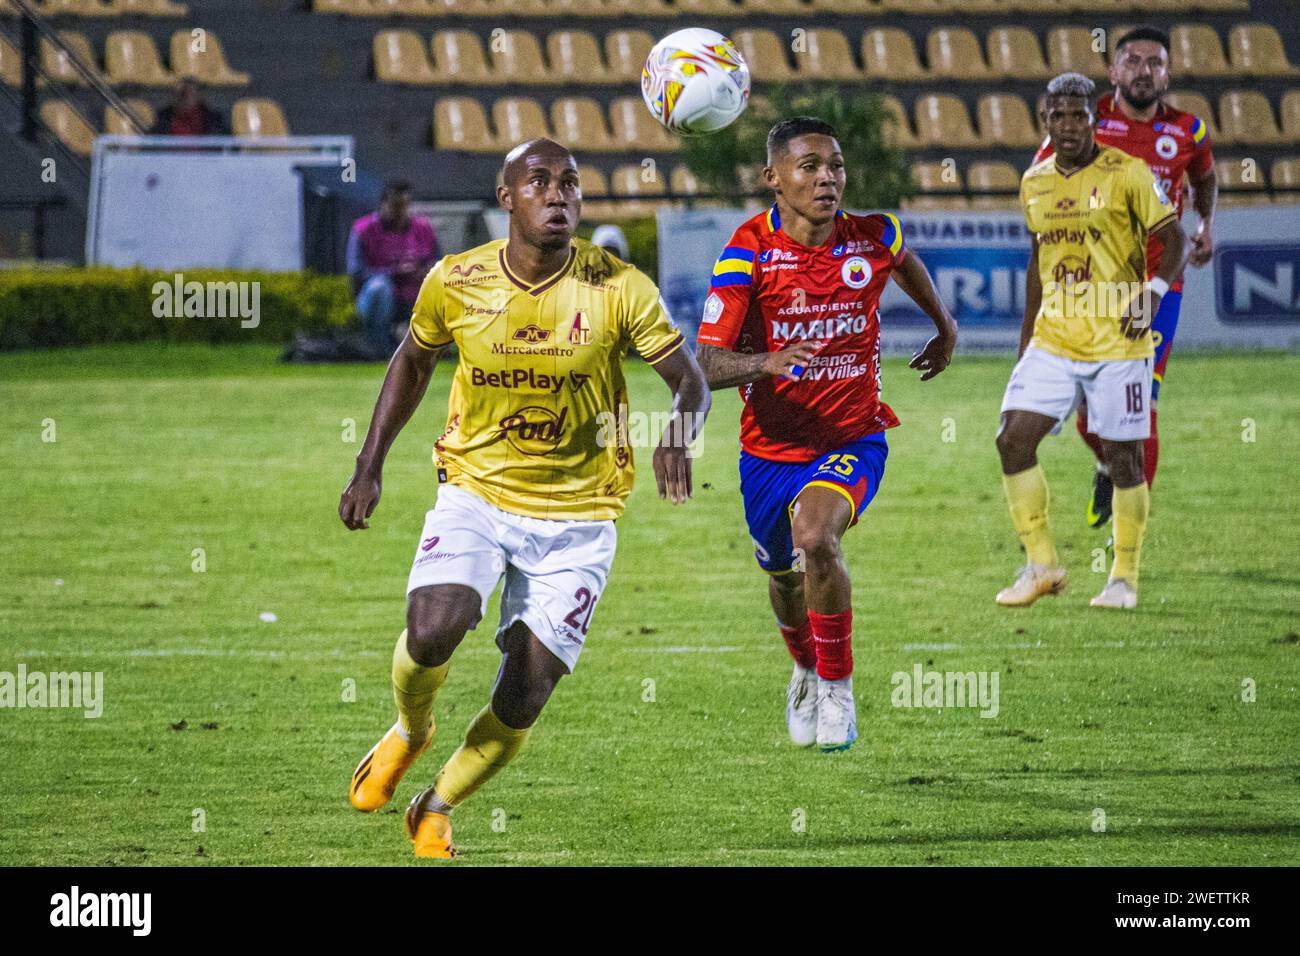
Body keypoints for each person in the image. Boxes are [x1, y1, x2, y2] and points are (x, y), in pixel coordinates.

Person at [339, 138, 709, 858]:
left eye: (570, 183)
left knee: (527, 689)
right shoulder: (458, 280)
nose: (558, 195)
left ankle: (437, 803)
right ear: (506, 198)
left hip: (580, 515)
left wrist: (679, 434)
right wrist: (369, 464)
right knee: (434, 627)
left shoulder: (619, 286)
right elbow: (413, 359)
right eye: (538, 182)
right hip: (476, 490)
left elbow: (689, 379)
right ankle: (411, 731)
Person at [695, 117, 957, 752]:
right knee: (783, 574)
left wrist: (944, 327)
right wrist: (765, 361)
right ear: (773, 178)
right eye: (809, 166)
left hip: (853, 436)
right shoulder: (747, 252)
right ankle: (807, 670)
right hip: (769, 449)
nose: (827, 178)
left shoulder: (873, 236)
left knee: (816, 538)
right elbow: (703, 364)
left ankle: (838, 687)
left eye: (835, 165)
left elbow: (905, 262)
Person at [997, 73, 1188, 611]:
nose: (1068, 124)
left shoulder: (1128, 173)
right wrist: (1025, 339)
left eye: (1079, 114)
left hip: (1118, 342)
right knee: (1013, 439)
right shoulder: (1034, 182)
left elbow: (1173, 238)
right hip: (1054, 338)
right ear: (1045, 121)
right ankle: (1042, 566)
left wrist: (1152, 292)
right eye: (1058, 115)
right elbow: (1039, 262)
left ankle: (1123, 578)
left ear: (1094, 119)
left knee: (1123, 458)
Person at [1032, 26, 1216, 526]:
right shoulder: (1085, 122)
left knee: (1140, 404)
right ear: (1113, 72)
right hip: (1093, 286)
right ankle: (1106, 465)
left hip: (1159, 283)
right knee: (1088, 412)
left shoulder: (1189, 131)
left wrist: (1204, 225)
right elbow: (1042, 181)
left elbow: (1204, 176)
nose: (1143, 70)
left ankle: (1126, 532)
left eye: (1154, 62)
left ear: (1167, 73)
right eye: (1132, 61)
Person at [346, 181, 439, 360]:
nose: (400, 212)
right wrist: (394, 273)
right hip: (377, 299)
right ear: (384, 204)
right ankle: (377, 348)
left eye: (404, 206)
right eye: (395, 206)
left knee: (443, 284)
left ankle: (438, 347)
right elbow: (356, 272)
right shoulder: (363, 229)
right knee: (379, 287)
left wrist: (425, 270)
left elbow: (438, 262)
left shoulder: (423, 228)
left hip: (414, 294)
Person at [150, 77, 228, 136]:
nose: (184, 98)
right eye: (180, 94)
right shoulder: (161, 119)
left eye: (189, 93)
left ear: (199, 95)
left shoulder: (214, 120)